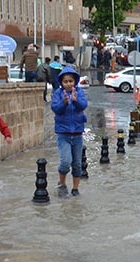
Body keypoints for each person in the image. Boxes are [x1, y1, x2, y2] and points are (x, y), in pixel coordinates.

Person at [51, 66, 88, 197]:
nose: (68, 84)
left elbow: (84, 105)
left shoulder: (79, 92)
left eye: (70, 81)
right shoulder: (57, 94)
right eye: (65, 81)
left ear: (75, 81)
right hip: (63, 134)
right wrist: (64, 102)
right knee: (65, 161)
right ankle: (62, 184)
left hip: (77, 134)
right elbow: (55, 108)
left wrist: (76, 100)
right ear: (61, 82)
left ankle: (75, 188)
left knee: (77, 163)